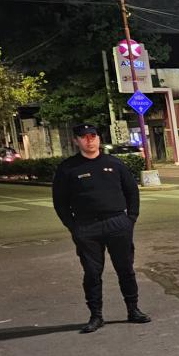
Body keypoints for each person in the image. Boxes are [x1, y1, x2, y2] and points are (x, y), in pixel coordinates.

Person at [52, 124, 150, 333]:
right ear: (76, 141)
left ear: (98, 138)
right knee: (92, 273)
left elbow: (132, 192)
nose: (89, 140)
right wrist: (73, 226)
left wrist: (130, 219)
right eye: (84, 137)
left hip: (117, 223)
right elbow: (60, 202)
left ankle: (133, 310)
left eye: (93, 136)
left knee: (125, 269)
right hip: (87, 227)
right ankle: (96, 316)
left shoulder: (114, 164)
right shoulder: (68, 168)